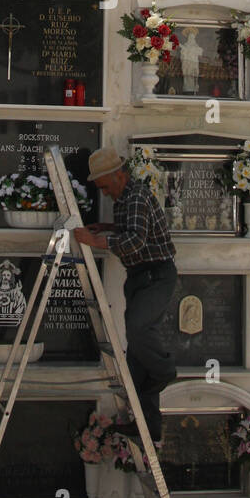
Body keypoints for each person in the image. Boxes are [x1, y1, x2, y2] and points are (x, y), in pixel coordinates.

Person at [73, 147, 177, 445]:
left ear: (118, 175)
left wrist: (96, 240)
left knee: (138, 328)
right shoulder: (124, 198)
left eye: (104, 186)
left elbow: (135, 239)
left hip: (155, 274)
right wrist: (106, 227)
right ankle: (149, 426)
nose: (103, 193)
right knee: (137, 357)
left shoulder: (136, 196)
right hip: (140, 277)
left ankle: (166, 370)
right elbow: (130, 227)